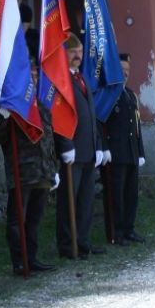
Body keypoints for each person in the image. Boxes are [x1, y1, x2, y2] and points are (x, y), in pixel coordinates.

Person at [0, 57, 59, 275]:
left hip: (43, 171)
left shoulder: (41, 105)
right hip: (22, 172)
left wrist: (53, 169)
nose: (34, 79)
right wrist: (5, 115)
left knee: (34, 219)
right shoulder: (9, 105)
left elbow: (49, 139)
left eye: (36, 76)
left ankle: (32, 257)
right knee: (17, 219)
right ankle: (19, 261)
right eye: (30, 76)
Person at [55, 33, 107, 259]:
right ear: (63, 54)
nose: (77, 56)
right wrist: (65, 144)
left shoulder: (81, 78)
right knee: (69, 201)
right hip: (72, 151)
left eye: (79, 52)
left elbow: (91, 115)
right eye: (72, 52)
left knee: (86, 200)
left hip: (88, 150)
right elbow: (58, 115)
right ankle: (68, 245)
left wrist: (98, 145)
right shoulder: (60, 80)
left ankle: (83, 241)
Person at [102, 52, 145, 245]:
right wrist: (104, 148)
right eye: (121, 69)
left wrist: (141, 152)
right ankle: (116, 232)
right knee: (116, 196)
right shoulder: (108, 95)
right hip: (116, 153)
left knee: (131, 194)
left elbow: (137, 126)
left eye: (127, 69)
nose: (125, 73)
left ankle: (129, 228)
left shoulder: (131, 95)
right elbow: (102, 124)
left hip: (131, 152)